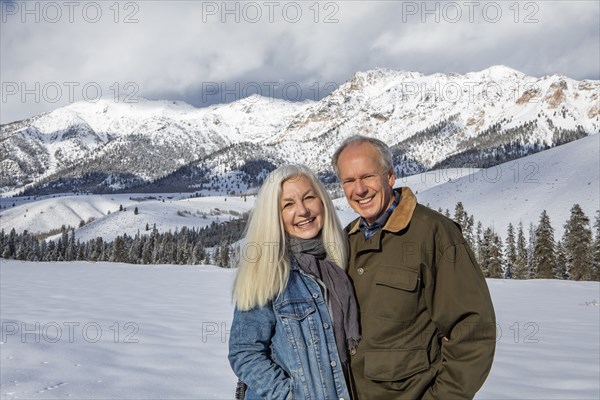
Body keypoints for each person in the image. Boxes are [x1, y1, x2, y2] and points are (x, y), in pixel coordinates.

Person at [332, 135, 496, 400]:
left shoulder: (434, 234)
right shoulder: (344, 241)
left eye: (368, 177)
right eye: (349, 181)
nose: (359, 189)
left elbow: (473, 330)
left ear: (390, 176)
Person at [228, 164, 360, 400]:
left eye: (309, 198)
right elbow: (245, 352)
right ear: (274, 215)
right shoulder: (268, 272)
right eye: (288, 204)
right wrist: (291, 395)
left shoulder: (339, 264)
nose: (303, 211)